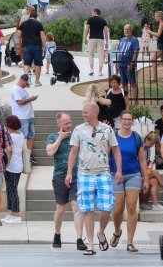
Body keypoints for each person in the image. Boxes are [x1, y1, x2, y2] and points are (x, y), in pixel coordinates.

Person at [66, 102, 122, 256]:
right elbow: (73, 152)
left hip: (103, 173)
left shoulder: (107, 129)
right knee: (87, 210)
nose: (83, 114)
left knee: (106, 207)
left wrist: (118, 170)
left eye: (85, 112)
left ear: (94, 113)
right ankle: (91, 245)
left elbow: (116, 150)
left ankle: (101, 232)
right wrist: (69, 172)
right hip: (84, 174)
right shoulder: (78, 130)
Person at [109, 110, 149, 253]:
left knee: (132, 207)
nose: (126, 122)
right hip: (116, 175)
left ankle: (130, 241)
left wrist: (146, 179)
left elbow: (142, 160)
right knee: (118, 208)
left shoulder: (136, 138)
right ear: (120, 121)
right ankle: (117, 231)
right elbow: (107, 157)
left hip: (133, 174)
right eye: (124, 119)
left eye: (129, 119)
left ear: (132, 122)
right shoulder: (113, 136)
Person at [46, 112, 86, 250]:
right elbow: (50, 152)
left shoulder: (77, 136)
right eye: (66, 123)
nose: (69, 125)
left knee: (76, 205)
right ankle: (57, 234)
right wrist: (60, 138)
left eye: (70, 122)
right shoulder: (53, 137)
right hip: (59, 176)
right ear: (59, 124)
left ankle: (79, 239)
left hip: (76, 176)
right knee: (61, 209)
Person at [3, 114, 27, 224]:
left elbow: (9, 150)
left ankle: (16, 215)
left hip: (11, 166)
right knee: (10, 189)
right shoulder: (20, 134)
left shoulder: (11, 137)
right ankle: (11, 213)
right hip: (17, 165)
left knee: (12, 190)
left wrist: (6, 164)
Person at [11, 74, 38, 164]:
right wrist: (30, 99)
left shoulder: (22, 89)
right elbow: (19, 102)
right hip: (21, 117)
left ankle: (29, 154)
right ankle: (22, 156)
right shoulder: (16, 89)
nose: (27, 85)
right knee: (23, 136)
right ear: (22, 80)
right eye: (27, 83)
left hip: (28, 116)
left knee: (31, 135)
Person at [17, 11, 46, 88]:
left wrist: (22, 39)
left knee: (26, 63)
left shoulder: (23, 24)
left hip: (26, 45)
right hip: (37, 45)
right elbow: (42, 35)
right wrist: (44, 46)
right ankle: (37, 81)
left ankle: (27, 80)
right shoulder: (38, 24)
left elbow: (18, 34)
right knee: (37, 63)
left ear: (29, 16)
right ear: (36, 17)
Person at [141, 132, 163, 211]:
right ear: (147, 140)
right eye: (151, 143)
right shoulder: (140, 148)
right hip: (138, 175)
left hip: (144, 174)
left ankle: (153, 204)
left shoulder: (148, 150)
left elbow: (147, 163)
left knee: (154, 181)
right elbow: (139, 164)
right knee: (155, 172)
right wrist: (149, 167)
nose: (152, 145)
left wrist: (153, 162)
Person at [116, 24, 140, 103]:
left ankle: (135, 102)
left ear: (131, 30)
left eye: (128, 29)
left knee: (132, 83)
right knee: (124, 84)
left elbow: (136, 53)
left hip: (128, 66)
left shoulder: (134, 40)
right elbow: (119, 52)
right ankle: (126, 101)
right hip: (121, 65)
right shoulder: (122, 40)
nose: (126, 30)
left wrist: (132, 64)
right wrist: (117, 63)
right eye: (125, 29)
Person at [83, 8, 109, 77]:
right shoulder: (103, 20)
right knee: (101, 55)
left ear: (95, 12)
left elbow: (87, 29)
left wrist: (85, 38)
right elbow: (106, 32)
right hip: (101, 39)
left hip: (92, 38)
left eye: (92, 12)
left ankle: (92, 70)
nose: (91, 13)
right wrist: (107, 42)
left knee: (91, 54)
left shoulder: (90, 19)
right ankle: (100, 71)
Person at [145, 11, 163, 81]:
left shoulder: (162, 24)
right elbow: (160, 36)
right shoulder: (162, 24)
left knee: (153, 59)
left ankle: (154, 77)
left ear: (160, 17)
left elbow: (158, 34)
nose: (155, 18)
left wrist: (150, 32)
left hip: (162, 45)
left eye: (156, 16)